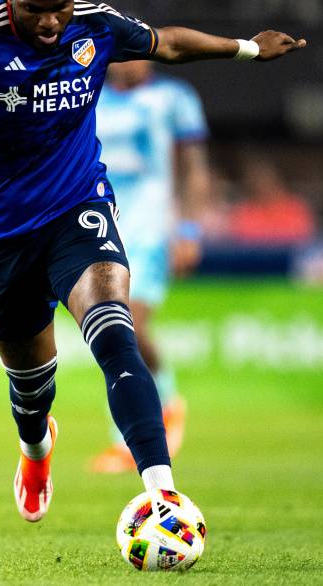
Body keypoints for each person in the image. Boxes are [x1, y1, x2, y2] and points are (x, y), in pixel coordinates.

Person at [0, 0, 306, 523]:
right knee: (30, 390)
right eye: (34, 9)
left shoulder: (96, 24)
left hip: (79, 209)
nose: (50, 23)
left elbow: (165, 44)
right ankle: (36, 450)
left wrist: (247, 49)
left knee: (115, 332)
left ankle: (162, 491)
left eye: (60, 8)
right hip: (1, 232)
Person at [88, 59, 210, 473]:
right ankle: (128, 438)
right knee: (110, 334)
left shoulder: (174, 98)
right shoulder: (87, 94)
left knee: (132, 326)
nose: (129, 61)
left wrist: (190, 228)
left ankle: (166, 404)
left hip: (152, 229)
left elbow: (194, 168)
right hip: (101, 225)